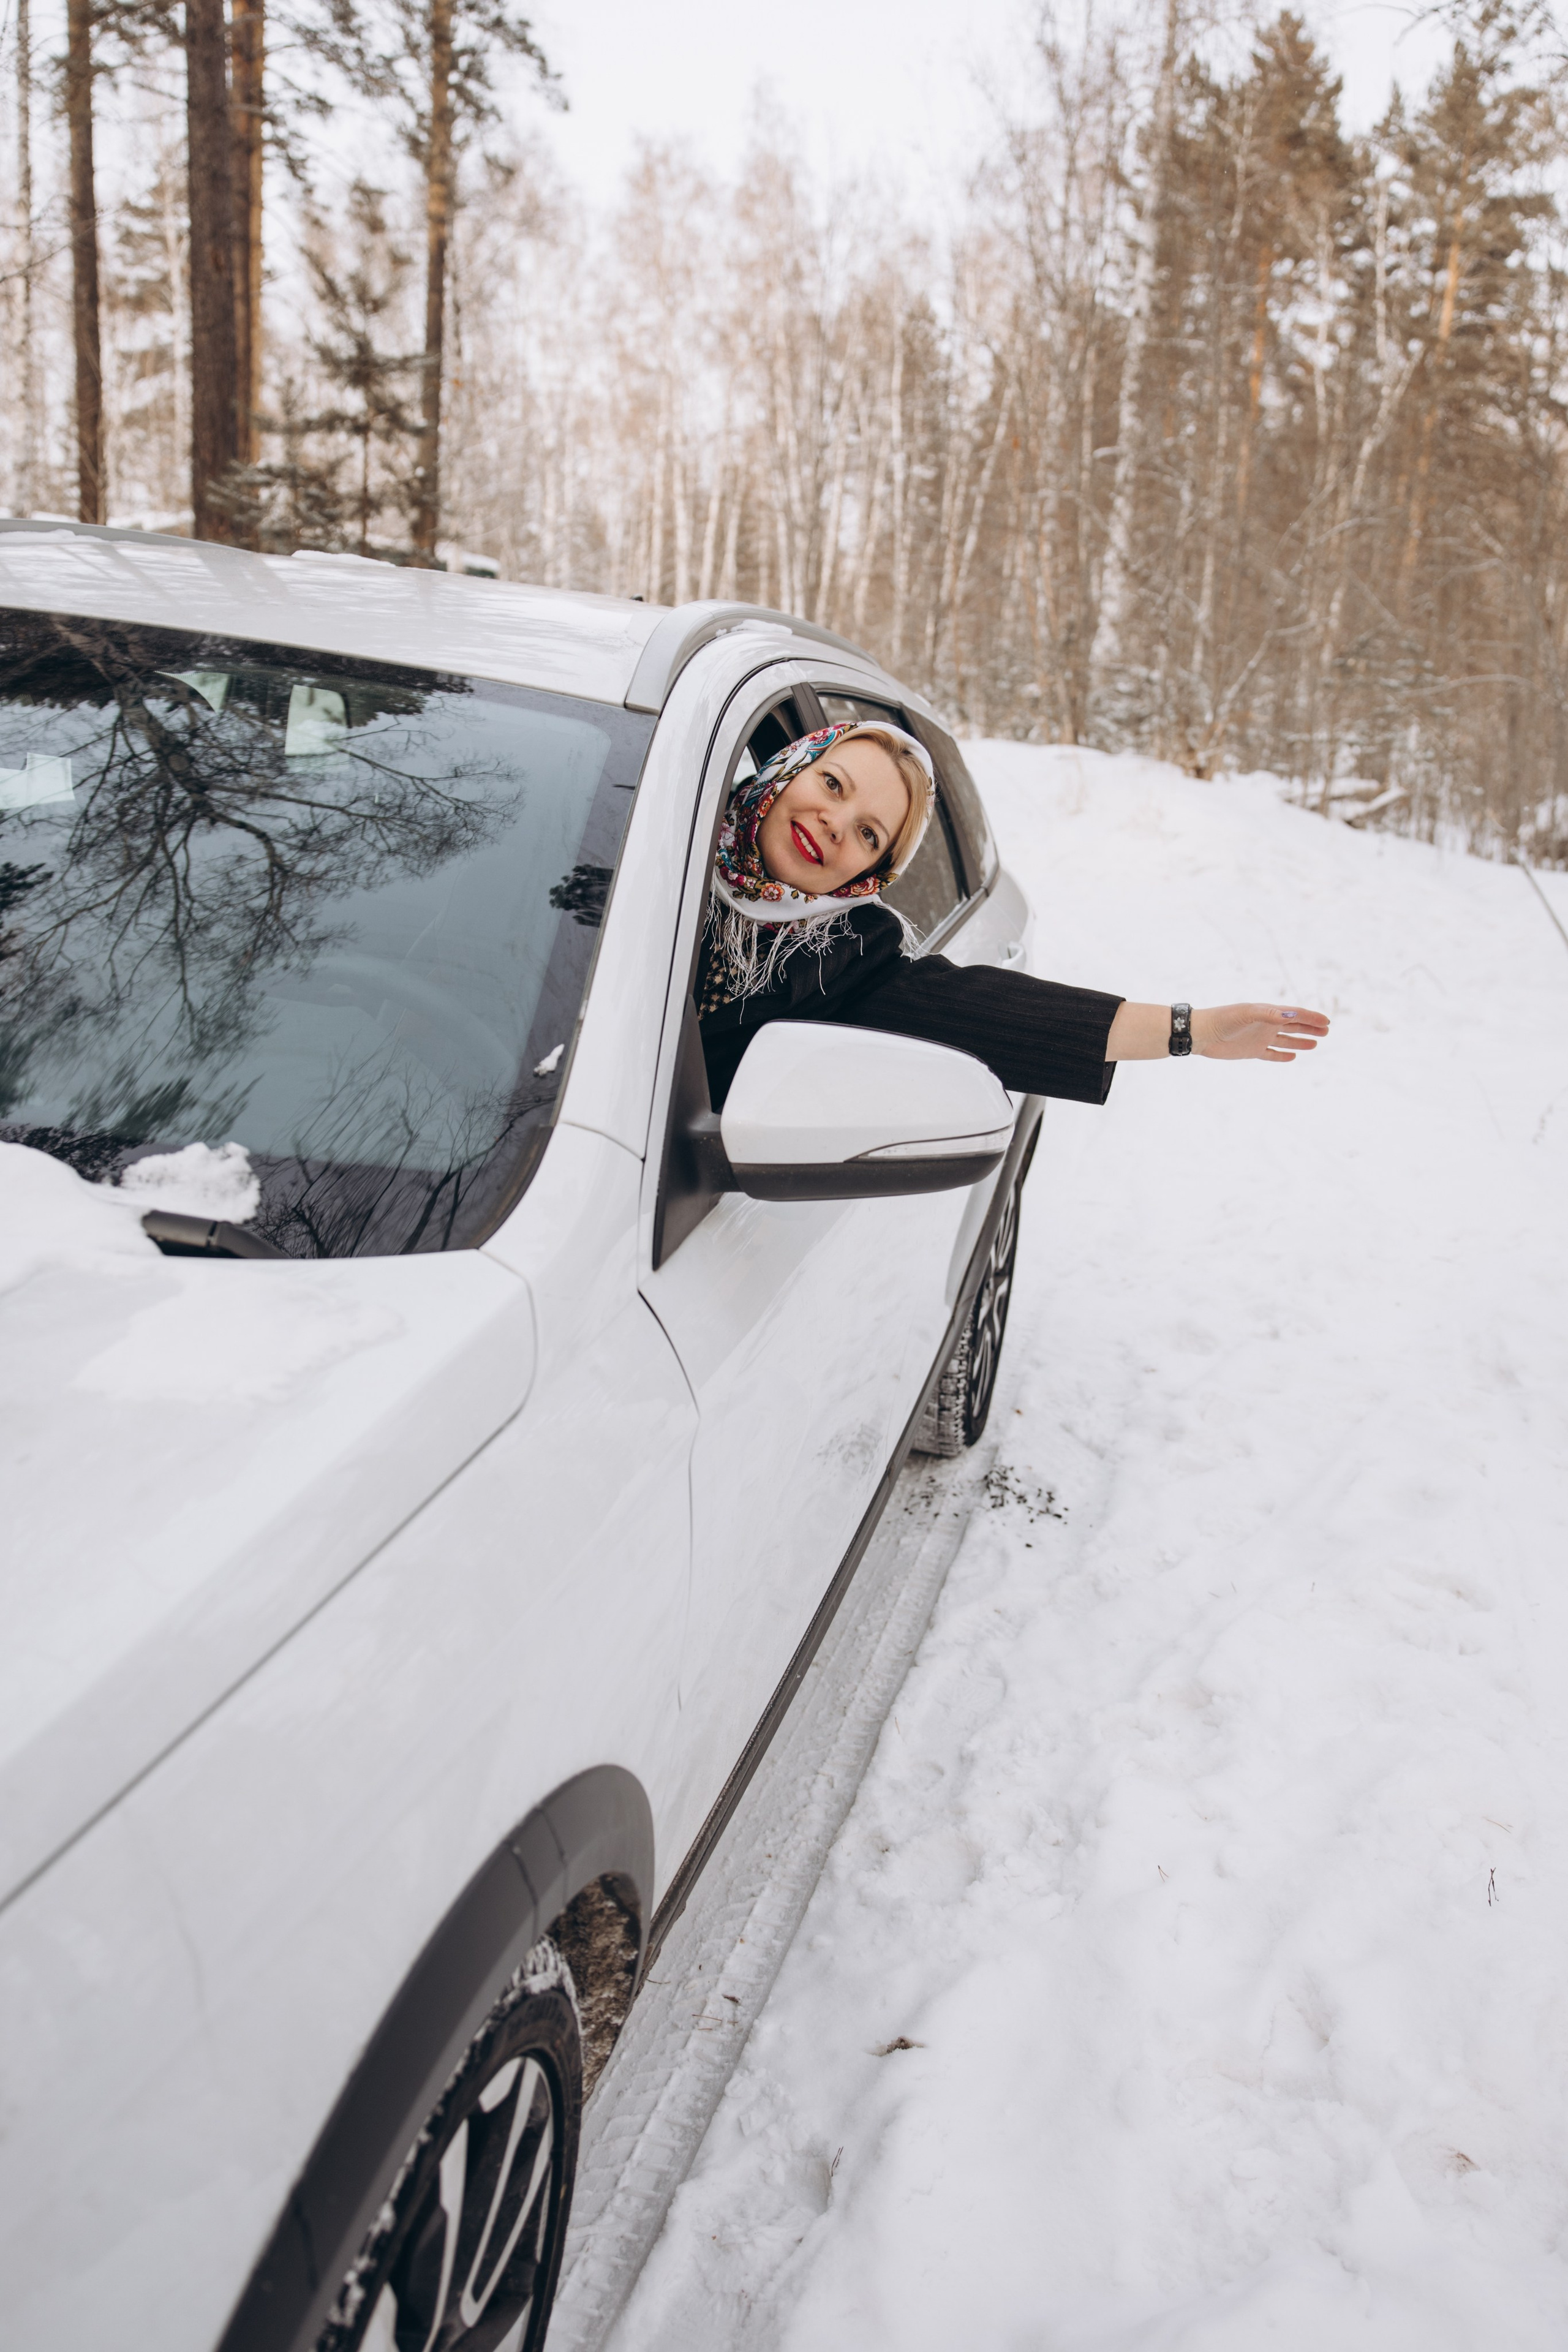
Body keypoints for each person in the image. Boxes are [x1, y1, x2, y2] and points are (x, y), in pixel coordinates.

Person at [695, 721, 1329, 1107]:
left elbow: (996, 1015)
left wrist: (1193, 1029)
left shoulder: (845, 958)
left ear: (869, 873)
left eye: (868, 834)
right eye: (832, 784)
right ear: (789, 770)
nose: (834, 824)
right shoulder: (662, 821)